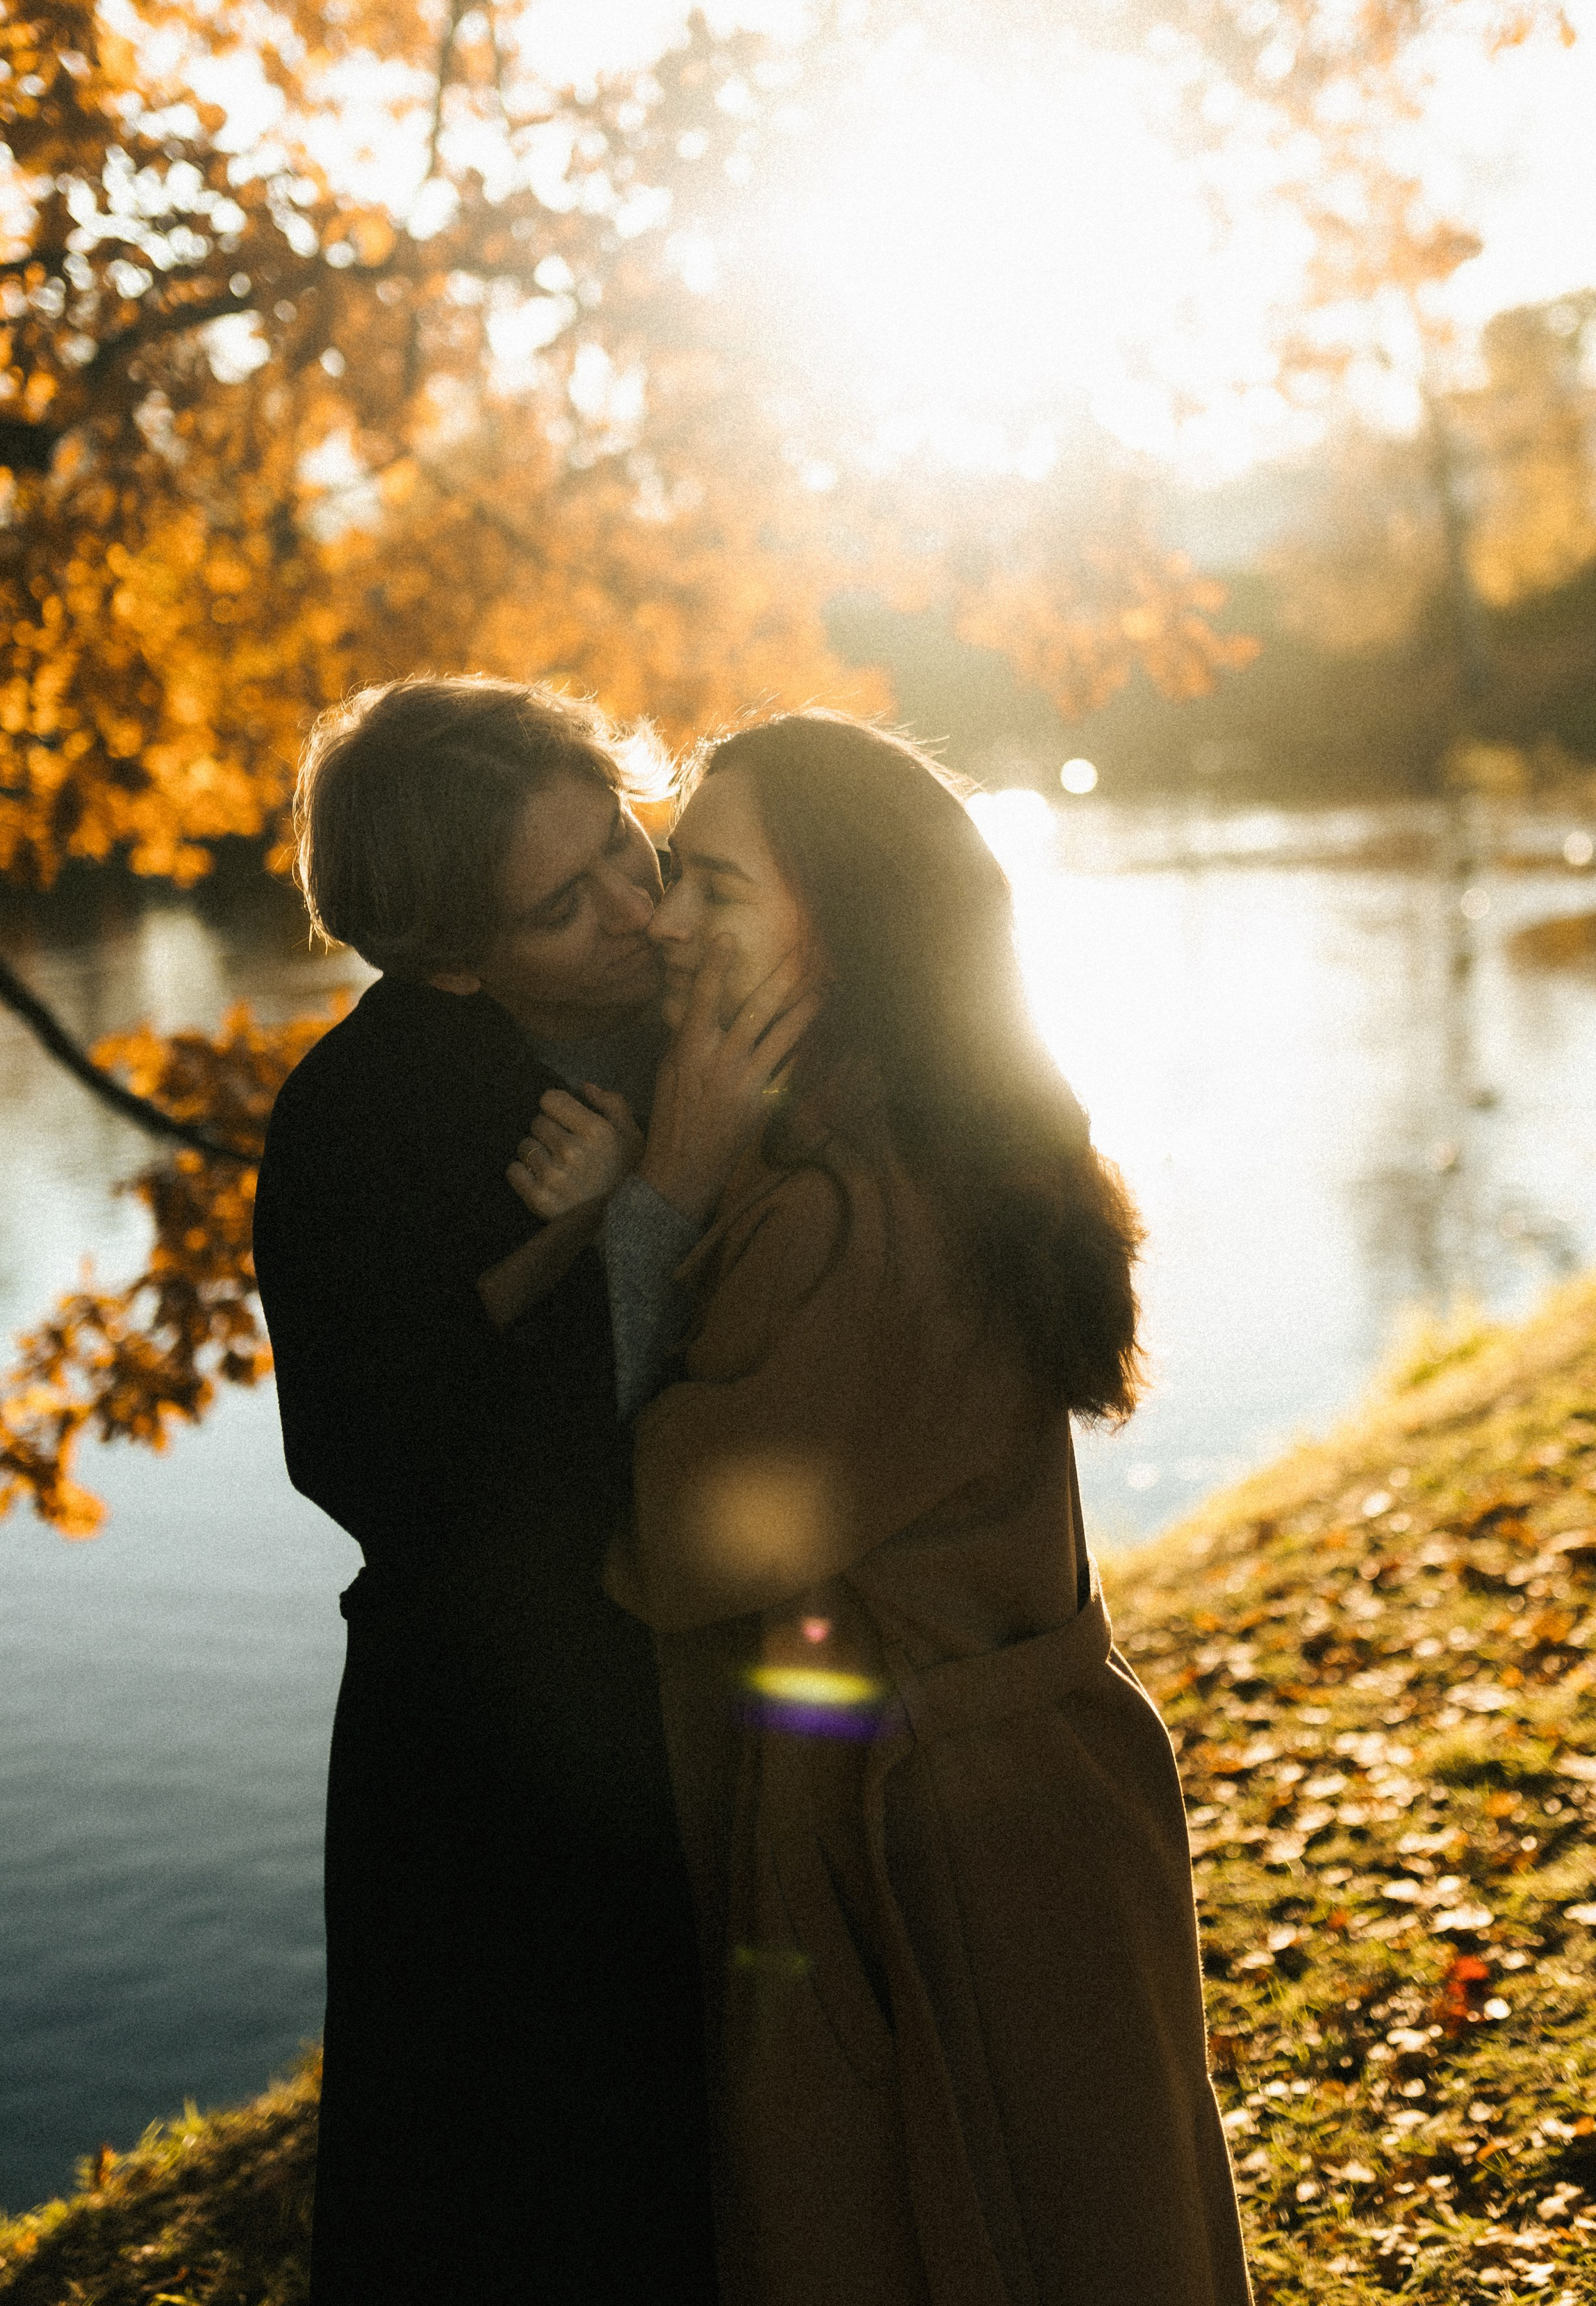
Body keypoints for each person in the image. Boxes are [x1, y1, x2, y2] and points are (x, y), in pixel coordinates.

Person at [508, 711, 1253, 2306]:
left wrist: (659, 1205)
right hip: (1007, 1821)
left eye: (713, 886)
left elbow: (667, 1543)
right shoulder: (924, 1130)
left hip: (942, 1871)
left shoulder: (849, 1211)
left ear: (839, 926)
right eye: (671, 874)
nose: (665, 923)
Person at [252, 675, 718, 2306]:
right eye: (560, 904)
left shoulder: (712, 983)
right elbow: (366, 1460)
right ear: (449, 957)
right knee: (510, 2205)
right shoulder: (355, 1121)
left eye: (621, 847)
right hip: (486, 1751)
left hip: (738, 1678)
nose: (632, 908)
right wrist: (606, 1220)